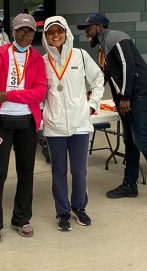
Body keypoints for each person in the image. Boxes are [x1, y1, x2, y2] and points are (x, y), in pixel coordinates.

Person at [77, 13, 147, 210]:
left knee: (141, 139)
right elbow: (106, 74)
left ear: (100, 27)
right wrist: (90, 93)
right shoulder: (104, 46)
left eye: (88, 28)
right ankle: (130, 185)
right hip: (128, 96)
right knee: (130, 140)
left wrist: (126, 97)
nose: (86, 32)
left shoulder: (115, 37)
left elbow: (127, 66)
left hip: (141, 93)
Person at [0, 13, 47, 243]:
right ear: (13, 31)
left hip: (27, 122)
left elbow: (40, 92)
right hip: (1, 123)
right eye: (21, 30)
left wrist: (8, 95)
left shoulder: (37, 59)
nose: (25, 35)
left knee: (26, 172)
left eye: (30, 31)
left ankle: (21, 218)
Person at [41, 16, 104, 231]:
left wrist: (92, 105)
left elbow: (98, 80)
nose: (56, 35)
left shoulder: (81, 56)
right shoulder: (42, 62)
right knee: (58, 170)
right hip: (54, 126)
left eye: (60, 31)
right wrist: (42, 113)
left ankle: (79, 207)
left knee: (79, 171)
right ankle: (63, 212)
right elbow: (39, 93)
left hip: (79, 124)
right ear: (46, 36)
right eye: (51, 32)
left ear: (66, 33)